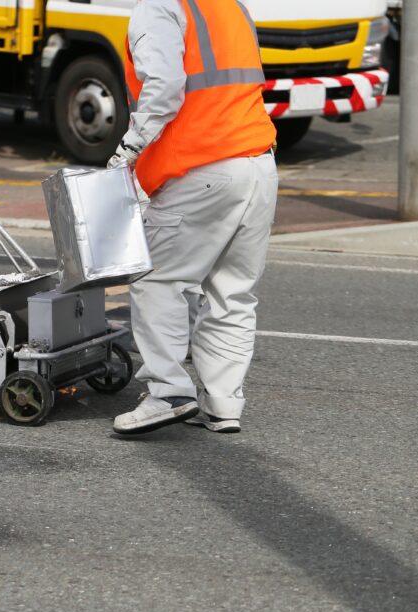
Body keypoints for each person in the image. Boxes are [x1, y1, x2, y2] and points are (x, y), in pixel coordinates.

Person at [109, 0, 278, 435]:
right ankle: (223, 405)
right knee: (232, 293)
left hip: (203, 168)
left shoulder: (159, 7)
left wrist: (128, 149)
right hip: (258, 163)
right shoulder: (231, 6)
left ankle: (168, 393)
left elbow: (164, 87)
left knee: (155, 278)